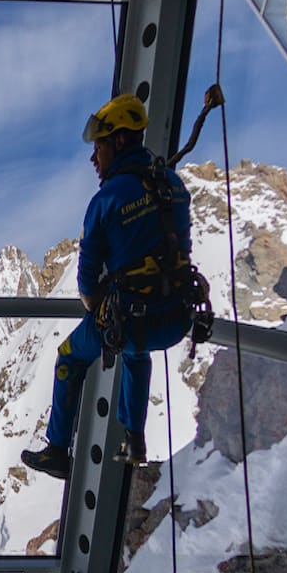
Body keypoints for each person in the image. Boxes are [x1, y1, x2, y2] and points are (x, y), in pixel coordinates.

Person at [22, 94, 194, 480]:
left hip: (134, 323)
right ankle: (134, 437)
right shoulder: (173, 184)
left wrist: (100, 305)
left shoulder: (106, 200)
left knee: (71, 355)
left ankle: (56, 449)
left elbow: (86, 283)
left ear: (118, 142)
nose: (92, 158)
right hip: (179, 316)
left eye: (97, 146)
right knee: (136, 348)